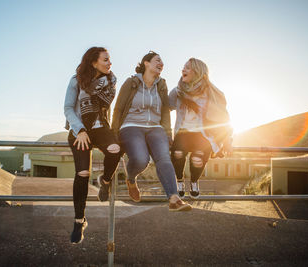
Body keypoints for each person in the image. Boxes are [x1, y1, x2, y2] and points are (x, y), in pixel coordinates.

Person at [112, 51, 192, 211]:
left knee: (164, 158)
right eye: (157, 60)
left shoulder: (161, 85)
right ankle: (131, 179)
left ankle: (174, 198)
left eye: (162, 61)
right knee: (142, 160)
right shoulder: (131, 82)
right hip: (131, 126)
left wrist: (168, 133)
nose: (161, 63)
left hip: (155, 127)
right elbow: (119, 108)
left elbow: (164, 111)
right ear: (146, 63)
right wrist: (114, 135)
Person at [64, 47, 121, 244]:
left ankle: (104, 182)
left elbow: (106, 109)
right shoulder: (76, 81)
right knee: (82, 174)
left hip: (100, 127)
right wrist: (79, 130)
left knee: (115, 150)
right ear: (93, 62)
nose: (109, 63)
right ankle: (79, 220)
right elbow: (68, 108)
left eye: (109, 59)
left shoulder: (111, 81)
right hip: (80, 129)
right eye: (105, 59)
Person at [169, 58, 232, 199]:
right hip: (183, 132)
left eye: (187, 68)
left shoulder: (212, 93)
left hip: (203, 134)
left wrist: (227, 140)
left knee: (198, 159)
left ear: (197, 72)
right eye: (183, 67)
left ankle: (194, 181)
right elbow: (164, 109)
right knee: (177, 153)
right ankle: (179, 181)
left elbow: (224, 118)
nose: (183, 70)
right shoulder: (178, 91)